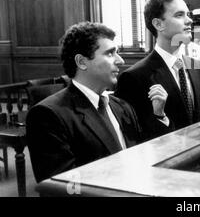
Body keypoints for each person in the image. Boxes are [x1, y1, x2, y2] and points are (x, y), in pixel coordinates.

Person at [26, 22, 142, 182]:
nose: (120, 60)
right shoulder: (47, 115)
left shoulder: (122, 107)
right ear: (81, 62)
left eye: (117, 53)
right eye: (110, 53)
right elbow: (64, 188)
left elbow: (141, 159)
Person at [115, 0, 200, 140]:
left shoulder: (197, 67)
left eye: (187, 14)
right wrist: (159, 115)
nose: (189, 20)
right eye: (179, 15)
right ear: (158, 24)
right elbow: (133, 136)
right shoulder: (134, 77)